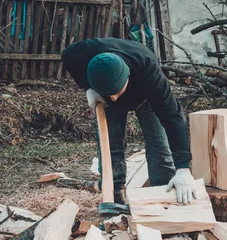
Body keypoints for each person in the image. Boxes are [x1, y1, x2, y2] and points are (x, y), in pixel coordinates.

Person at [61, 37, 197, 205]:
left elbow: (173, 118)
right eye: (109, 93)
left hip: (145, 95)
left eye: (116, 92)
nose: (113, 97)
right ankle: (113, 197)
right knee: (110, 145)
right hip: (102, 90)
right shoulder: (83, 52)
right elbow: (67, 55)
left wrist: (183, 168)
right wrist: (88, 87)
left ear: (126, 77)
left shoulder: (150, 74)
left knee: (159, 143)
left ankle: (162, 194)